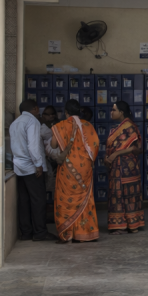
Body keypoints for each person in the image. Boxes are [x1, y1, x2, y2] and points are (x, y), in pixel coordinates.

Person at [51, 99, 100, 244]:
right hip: (84, 168)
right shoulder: (88, 126)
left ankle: (68, 233)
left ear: (66, 112)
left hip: (68, 168)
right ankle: (85, 233)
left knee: (66, 199)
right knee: (85, 198)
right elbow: (96, 145)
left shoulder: (61, 125)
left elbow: (53, 145)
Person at [10, 99, 52, 242]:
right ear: (34, 109)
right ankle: (40, 232)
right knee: (38, 201)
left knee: (24, 201)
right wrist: (38, 164)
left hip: (19, 167)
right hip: (32, 168)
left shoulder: (15, 123)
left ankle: (26, 233)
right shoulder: (32, 121)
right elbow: (33, 145)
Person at [105, 100, 145, 234]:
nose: (111, 112)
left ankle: (130, 224)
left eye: (113, 110)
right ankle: (121, 224)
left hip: (127, 167)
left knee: (127, 194)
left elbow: (136, 148)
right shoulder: (116, 128)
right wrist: (108, 157)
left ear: (121, 113)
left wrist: (115, 154)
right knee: (118, 194)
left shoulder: (129, 127)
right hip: (116, 167)